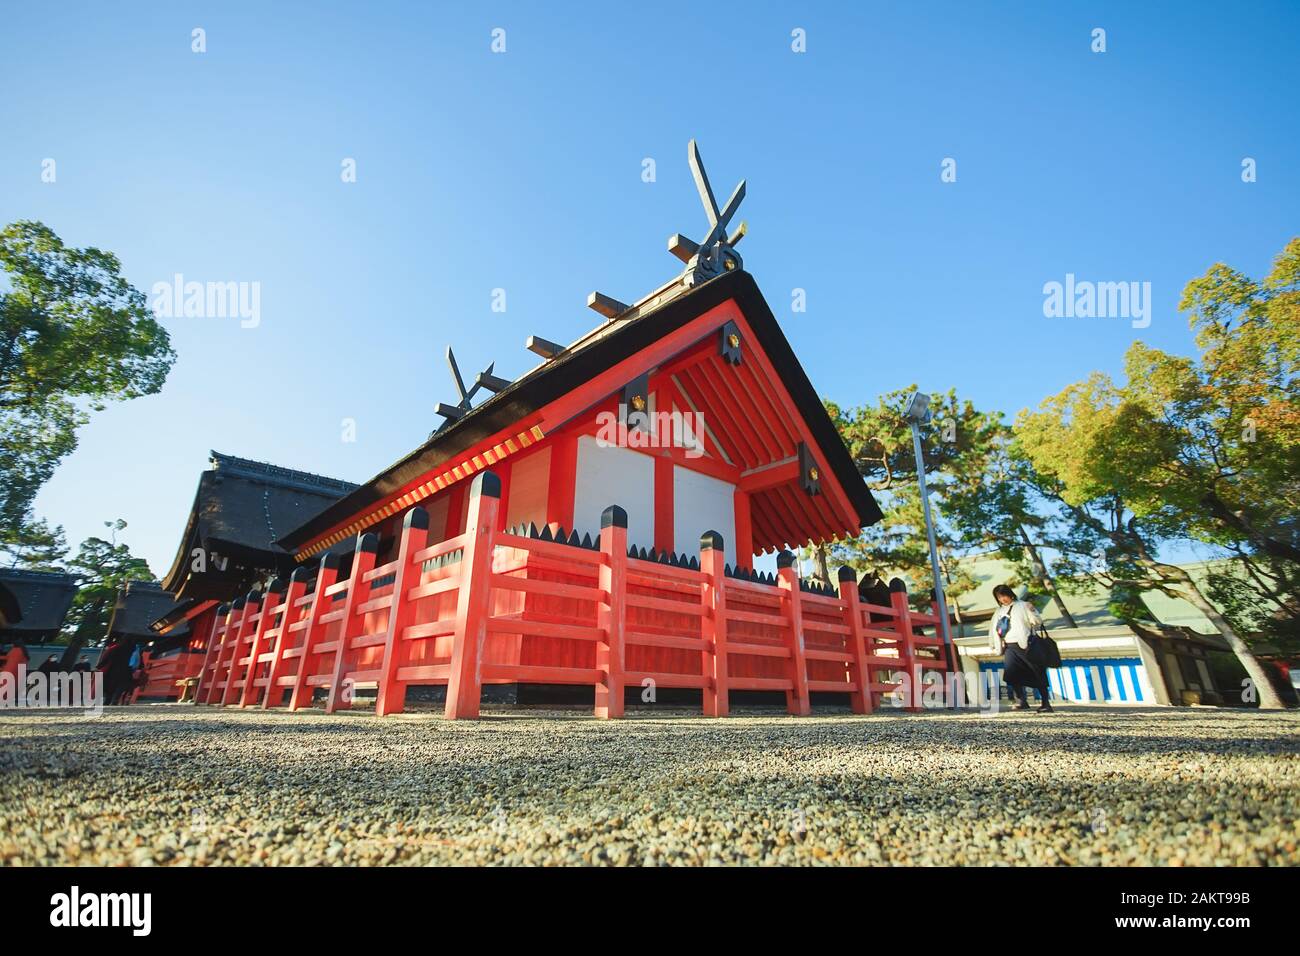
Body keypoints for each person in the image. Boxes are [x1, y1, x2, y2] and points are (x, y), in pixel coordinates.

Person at [988, 585, 1053, 712]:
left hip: (1026, 644)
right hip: (1009, 646)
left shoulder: (1023, 605)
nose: (1003, 599)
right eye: (999, 597)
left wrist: (1032, 611)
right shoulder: (999, 611)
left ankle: (1046, 703)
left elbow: (1037, 621)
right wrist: (993, 644)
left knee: (1036, 672)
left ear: (1010, 594)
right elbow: (993, 630)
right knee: (1012, 674)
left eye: (1004, 595)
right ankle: (1021, 701)